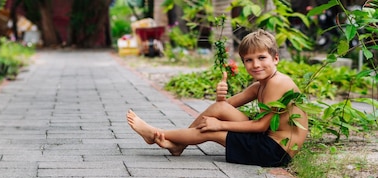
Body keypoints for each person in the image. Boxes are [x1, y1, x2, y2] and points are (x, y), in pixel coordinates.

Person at [127, 29, 308, 167]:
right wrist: (220, 95)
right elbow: (222, 107)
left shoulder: (278, 83)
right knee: (218, 110)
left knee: (212, 131)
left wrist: (219, 125)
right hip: (265, 139)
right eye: (249, 60)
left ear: (275, 58)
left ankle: (158, 134)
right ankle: (178, 145)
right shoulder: (260, 85)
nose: (256, 65)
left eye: (262, 58)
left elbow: (261, 126)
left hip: (275, 152)